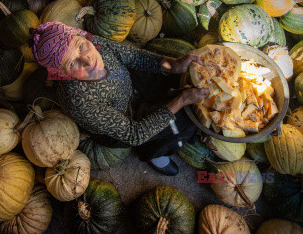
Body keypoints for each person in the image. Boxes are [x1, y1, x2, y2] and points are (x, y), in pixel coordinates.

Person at [29, 21, 209, 176]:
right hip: (126, 121)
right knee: (183, 122)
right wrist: (181, 100)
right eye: (73, 63)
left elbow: (134, 57)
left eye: (81, 46)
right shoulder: (78, 100)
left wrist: (174, 64)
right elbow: (134, 133)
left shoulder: (95, 43)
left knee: (172, 72)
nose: (88, 61)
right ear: (63, 74)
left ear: (82, 37)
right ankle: (154, 154)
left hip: (127, 83)